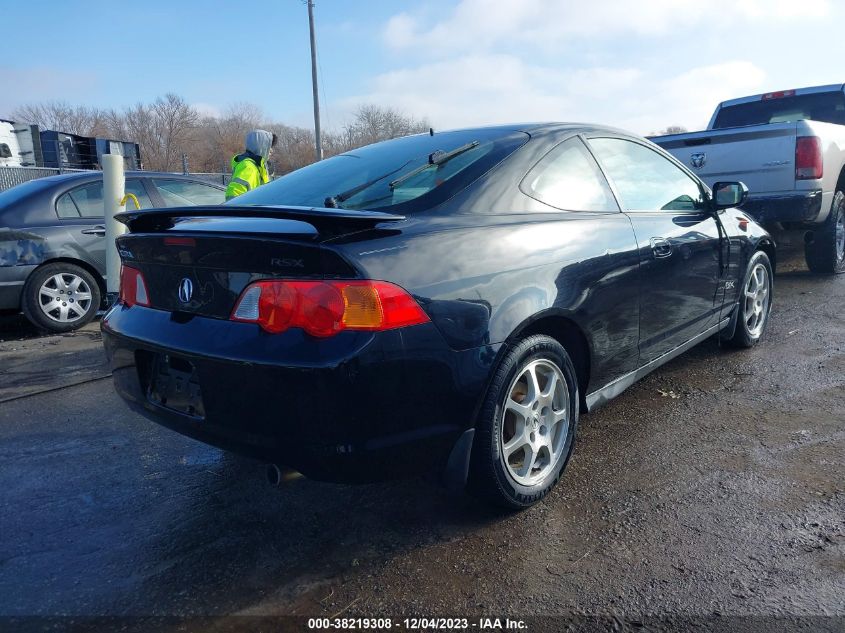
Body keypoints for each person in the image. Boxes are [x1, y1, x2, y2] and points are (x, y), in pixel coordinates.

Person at [225, 129, 277, 200]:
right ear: (260, 146)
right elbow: (233, 194)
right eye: (269, 146)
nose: (271, 150)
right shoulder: (249, 166)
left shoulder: (258, 166)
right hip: (252, 210)